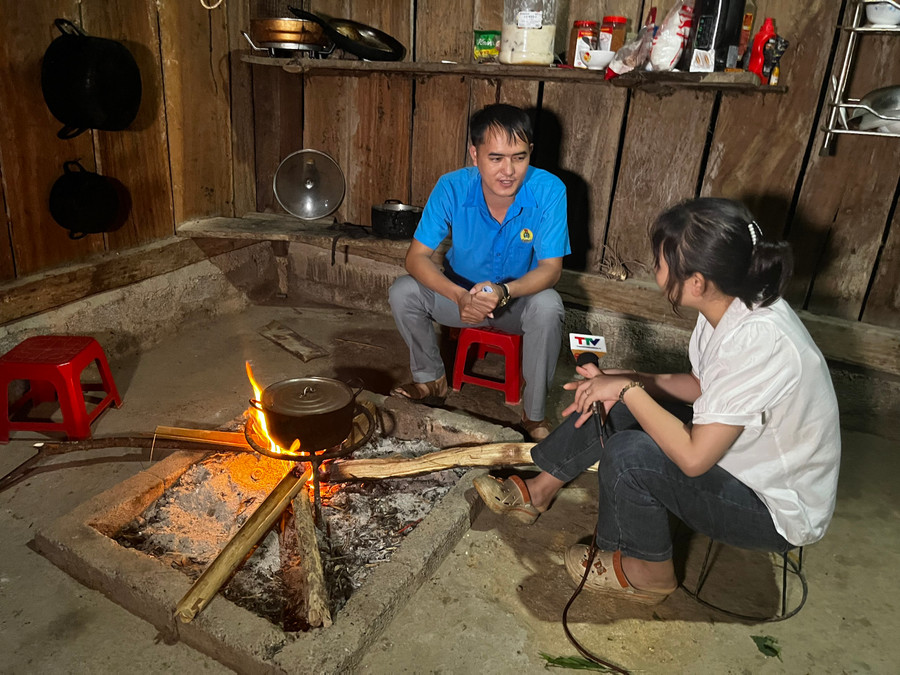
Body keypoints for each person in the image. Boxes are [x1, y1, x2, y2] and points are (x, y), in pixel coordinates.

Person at [474, 198, 841, 605]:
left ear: (697, 282)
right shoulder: (731, 304)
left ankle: (649, 572)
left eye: (661, 262)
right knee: (623, 401)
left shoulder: (759, 340)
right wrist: (628, 380)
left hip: (773, 508)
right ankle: (540, 491)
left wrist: (628, 389)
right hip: (744, 458)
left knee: (631, 453)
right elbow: (703, 385)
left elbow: (694, 459)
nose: (655, 269)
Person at [389, 104, 571, 441]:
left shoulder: (549, 190)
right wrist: (458, 295)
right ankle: (431, 379)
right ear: (475, 154)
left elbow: (551, 270)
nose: (509, 171)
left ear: (531, 152)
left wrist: (505, 292)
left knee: (549, 305)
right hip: (459, 301)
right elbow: (415, 258)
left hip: (515, 303)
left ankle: (533, 415)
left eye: (519, 157)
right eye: (496, 158)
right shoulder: (452, 188)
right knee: (403, 291)